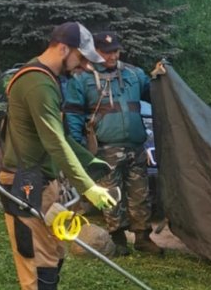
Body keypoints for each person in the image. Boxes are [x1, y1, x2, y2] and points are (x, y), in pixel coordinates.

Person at [0, 22, 117, 290]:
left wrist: (90, 162)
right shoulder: (37, 83)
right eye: (81, 57)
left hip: (41, 182)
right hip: (26, 185)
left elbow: (60, 135)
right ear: (63, 48)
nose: (85, 65)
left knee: (51, 254)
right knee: (38, 260)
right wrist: (87, 187)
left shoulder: (46, 80)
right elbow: (54, 141)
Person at [63, 31, 165, 256]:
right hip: (104, 148)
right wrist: (78, 148)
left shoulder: (134, 74)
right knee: (111, 196)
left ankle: (142, 238)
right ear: (95, 52)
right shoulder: (82, 79)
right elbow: (73, 115)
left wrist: (162, 77)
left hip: (135, 146)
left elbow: (156, 93)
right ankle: (117, 238)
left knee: (141, 194)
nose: (112, 56)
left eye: (115, 51)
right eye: (106, 52)